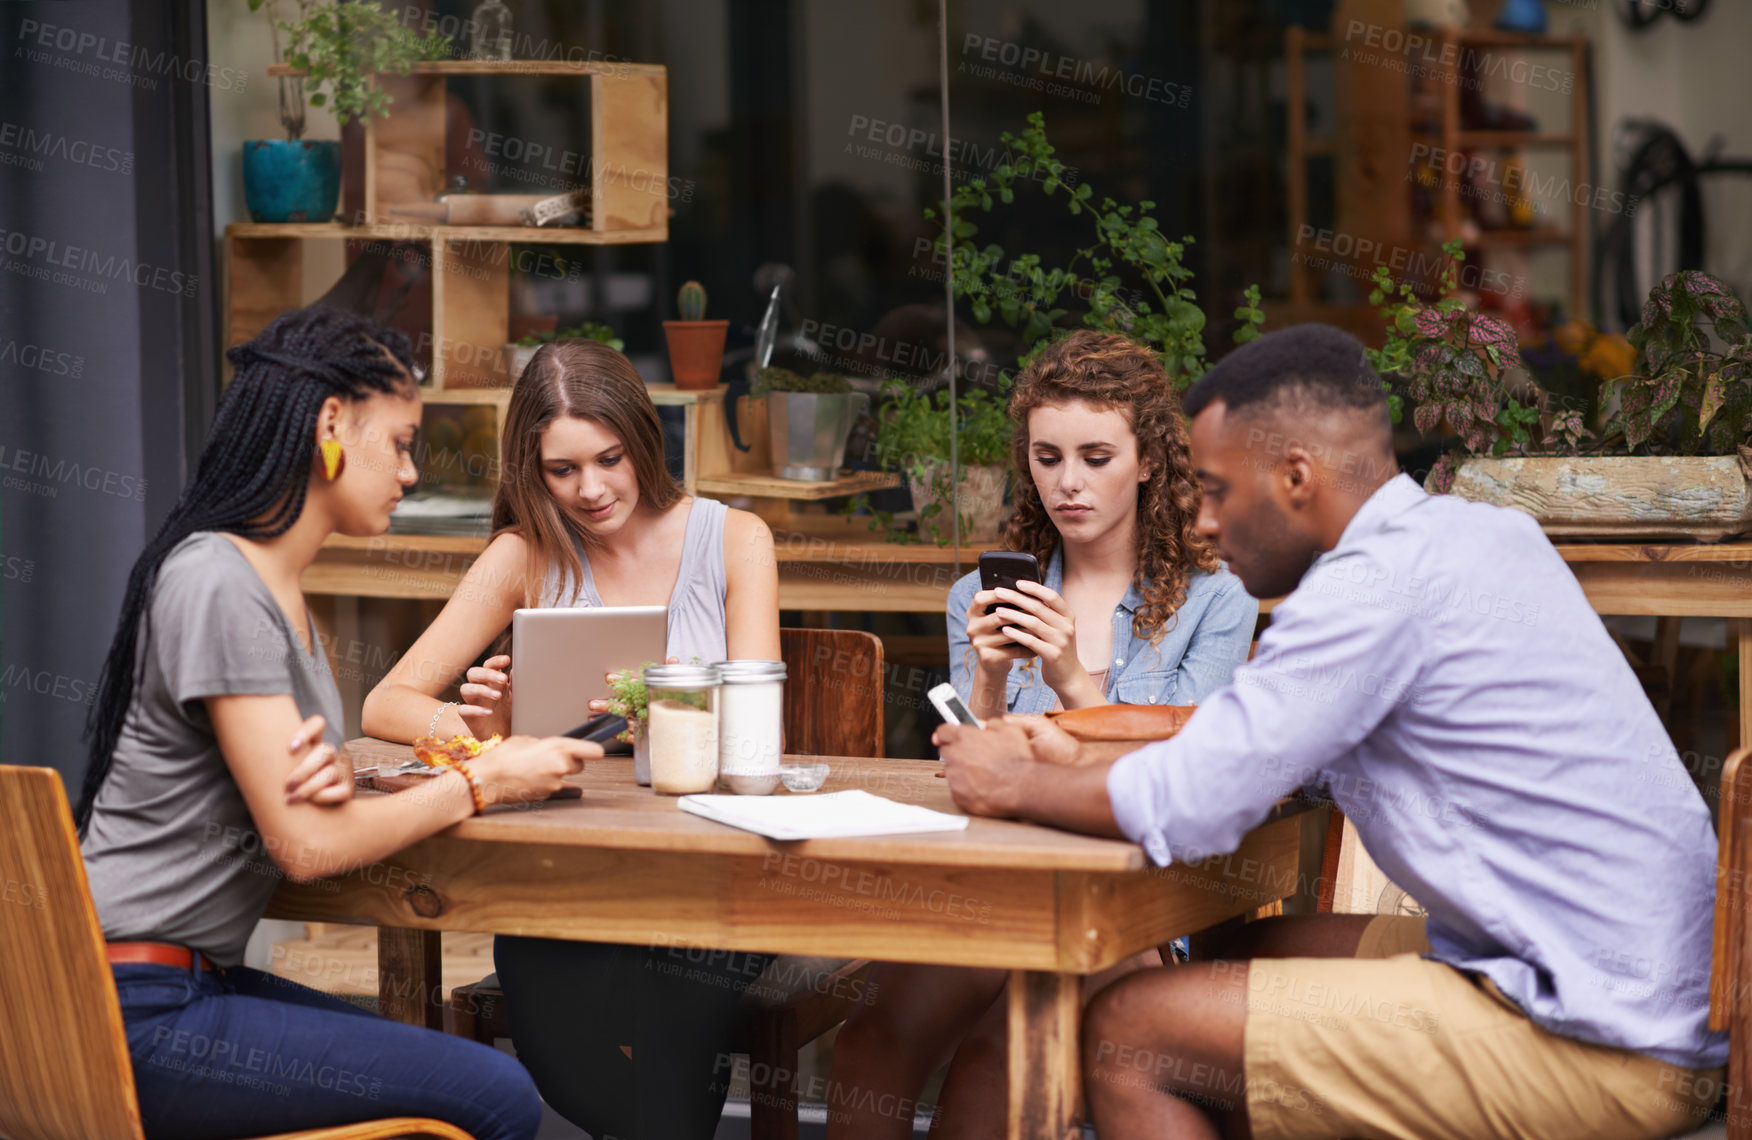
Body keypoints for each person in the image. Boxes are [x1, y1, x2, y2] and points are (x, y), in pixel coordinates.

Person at [934, 322, 1726, 1140]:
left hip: (1603, 1043)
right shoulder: (1478, 536)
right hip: (1646, 994)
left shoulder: (1367, 593)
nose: (1200, 521)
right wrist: (1083, 740)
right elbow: (1252, 734)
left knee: (1131, 1031)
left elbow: (1196, 801)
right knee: (1258, 954)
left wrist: (1013, 778)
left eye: (1214, 489)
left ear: (1295, 477)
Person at [78, 305, 596, 1140]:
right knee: (495, 1095)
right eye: (398, 442)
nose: (412, 472)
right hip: (134, 1008)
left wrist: (353, 785)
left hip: (179, 986)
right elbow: (309, 847)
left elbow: (302, 815)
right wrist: (481, 779)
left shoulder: (273, 594)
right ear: (328, 427)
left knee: (457, 1072)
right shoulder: (219, 580)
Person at [828, 330, 1257, 1140]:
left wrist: (1068, 675)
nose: (1069, 483)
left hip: (1129, 905)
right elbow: (972, 774)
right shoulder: (979, 597)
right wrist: (987, 680)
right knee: (871, 1043)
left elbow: (1187, 777)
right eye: (1047, 457)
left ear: (1149, 462)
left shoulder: (1216, 598)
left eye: (1096, 457)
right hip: (994, 887)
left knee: (996, 1063)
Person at [361, 337, 781, 1140]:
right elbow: (389, 702)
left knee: (671, 1006)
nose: (591, 490)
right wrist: (485, 735)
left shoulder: (733, 539)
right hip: (568, 875)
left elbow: (761, 723)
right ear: (533, 471)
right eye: (562, 470)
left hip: (712, 872)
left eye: (610, 459)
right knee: (557, 1045)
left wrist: (670, 711)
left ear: (643, 441)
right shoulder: (525, 553)